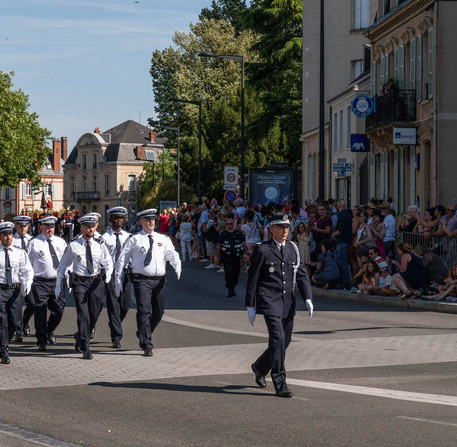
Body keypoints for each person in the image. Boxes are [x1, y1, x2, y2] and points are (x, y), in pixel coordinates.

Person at [245, 213, 313, 398]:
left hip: (287, 302)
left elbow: (301, 274)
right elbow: (253, 278)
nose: (285, 231)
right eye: (280, 227)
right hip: (269, 300)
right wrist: (250, 304)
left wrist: (307, 297)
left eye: (287, 227)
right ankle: (280, 383)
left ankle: (260, 367)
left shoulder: (294, 248)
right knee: (278, 340)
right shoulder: (262, 249)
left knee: (285, 341)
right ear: (271, 229)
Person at [115, 209, 181, 356]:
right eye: (148, 220)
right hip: (142, 280)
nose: (151, 222)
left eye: (153, 220)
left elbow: (172, 253)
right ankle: (146, 343)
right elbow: (122, 259)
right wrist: (118, 278)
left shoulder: (162, 239)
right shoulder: (134, 239)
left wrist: (177, 264)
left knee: (158, 311)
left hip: (159, 280)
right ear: (142, 222)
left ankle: (144, 332)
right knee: (145, 310)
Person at [56, 214, 113, 360]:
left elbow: (108, 262)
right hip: (80, 283)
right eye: (87, 226)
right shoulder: (74, 245)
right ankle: (85, 347)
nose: (90, 229)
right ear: (81, 228)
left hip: (96, 282)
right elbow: (63, 264)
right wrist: (58, 284)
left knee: (95, 312)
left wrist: (109, 274)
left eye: (92, 226)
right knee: (83, 314)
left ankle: (80, 335)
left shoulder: (100, 244)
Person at [27, 215, 67, 351]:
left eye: (52, 227)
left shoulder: (61, 242)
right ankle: (41, 340)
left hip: (57, 282)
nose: (50, 229)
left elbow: (66, 261)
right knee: (41, 311)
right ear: (41, 227)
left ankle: (49, 330)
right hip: (40, 282)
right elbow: (28, 264)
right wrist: (28, 281)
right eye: (47, 227)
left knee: (59, 310)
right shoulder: (34, 243)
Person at [0, 222, 34, 364]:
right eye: (5, 234)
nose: (8, 237)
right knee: (2, 321)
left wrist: (27, 285)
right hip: (1, 289)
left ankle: (4, 342)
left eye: (10, 234)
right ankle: (4, 350)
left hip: (15, 290)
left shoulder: (20, 252)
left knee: (14, 321)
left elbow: (27, 270)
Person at [100, 207, 131, 349]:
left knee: (124, 305)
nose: (119, 220)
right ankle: (116, 336)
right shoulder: (105, 238)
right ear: (111, 219)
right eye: (116, 218)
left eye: (121, 218)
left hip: (124, 273)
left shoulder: (128, 237)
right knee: (113, 305)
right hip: (111, 274)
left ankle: (115, 322)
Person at [214, 213, 249, 297]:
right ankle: (230, 289)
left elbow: (243, 243)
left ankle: (232, 286)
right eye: (227, 224)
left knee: (236, 274)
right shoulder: (223, 234)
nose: (228, 225)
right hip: (226, 257)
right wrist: (216, 256)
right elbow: (218, 245)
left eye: (230, 224)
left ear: (233, 224)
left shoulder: (238, 233)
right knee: (229, 273)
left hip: (236, 256)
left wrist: (247, 253)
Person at [11, 215, 33, 342]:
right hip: (17, 278)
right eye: (20, 226)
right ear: (16, 226)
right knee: (17, 306)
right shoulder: (12, 240)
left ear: (28, 226)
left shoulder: (33, 240)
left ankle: (25, 322)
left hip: (30, 277)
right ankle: (18, 332)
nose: (22, 228)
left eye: (24, 226)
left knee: (33, 304)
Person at [333, 199, 353, 287]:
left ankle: (345, 281)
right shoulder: (347, 215)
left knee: (343, 261)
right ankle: (344, 280)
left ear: (339, 206)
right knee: (344, 261)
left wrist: (334, 234)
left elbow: (340, 230)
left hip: (342, 241)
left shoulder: (342, 216)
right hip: (346, 240)